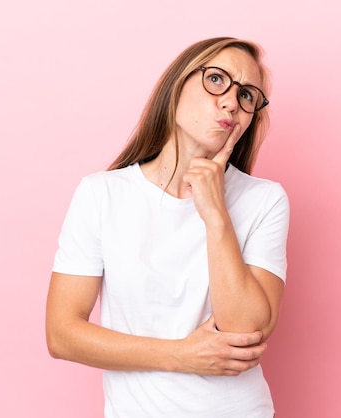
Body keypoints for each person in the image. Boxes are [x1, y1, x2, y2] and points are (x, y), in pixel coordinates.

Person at [46, 36, 290, 417]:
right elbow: (62, 334)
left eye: (247, 96)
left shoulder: (264, 200)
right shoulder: (101, 194)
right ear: (177, 85)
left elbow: (245, 330)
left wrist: (215, 214)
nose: (231, 101)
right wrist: (181, 355)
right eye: (216, 80)